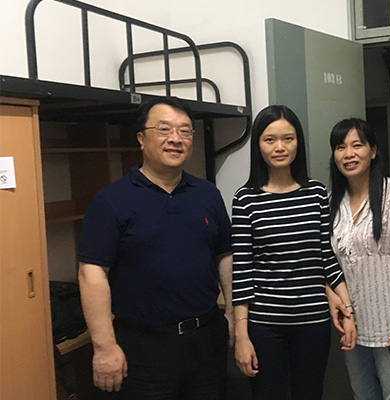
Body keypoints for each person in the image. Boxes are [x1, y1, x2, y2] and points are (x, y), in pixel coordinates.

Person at [77, 97, 233, 399]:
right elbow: (91, 273)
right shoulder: (111, 200)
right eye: (164, 129)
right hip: (143, 346)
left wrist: (233, 315)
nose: (175, 138)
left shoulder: (207, 194)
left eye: (185, 131)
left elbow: (225, 255)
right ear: (141, 138)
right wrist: (104, 346)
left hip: (206, 338)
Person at [231, 105, 356, 400]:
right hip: (264, 323)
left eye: (288, 138)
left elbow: (326, 257)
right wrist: (241, 334)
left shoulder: (316, 194)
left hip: (313, 321)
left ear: (298, 142)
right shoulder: (245, 199)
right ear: (258, 145)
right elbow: (242, 271)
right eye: (270, 139)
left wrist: (348, 310)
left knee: (309, 394)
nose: (280, 147)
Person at [327, 118, 390, 400]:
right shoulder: (333, 201)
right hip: (353, 324)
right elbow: (329, 262)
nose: (349, 154)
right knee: (362, 394)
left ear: (372, 151)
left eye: (357, 145)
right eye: (341, 147)